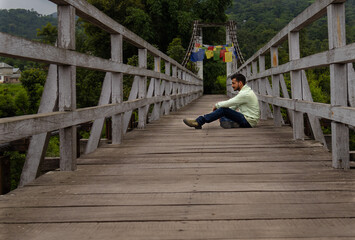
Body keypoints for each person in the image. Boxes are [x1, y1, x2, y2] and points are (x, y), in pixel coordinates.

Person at [183, 73, 260, 129]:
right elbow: (233, 106)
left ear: (240, 83)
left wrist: (217, 106)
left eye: (233, 83)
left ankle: (199, 121)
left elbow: (229, 103)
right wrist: (220, 114)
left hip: (248, 121)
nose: (232, 85)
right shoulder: (245, 92)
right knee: (223, 116)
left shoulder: (245, 94)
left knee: (223, 109)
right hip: (248, 120)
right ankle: (234, 124)